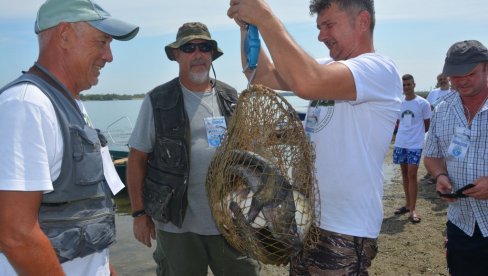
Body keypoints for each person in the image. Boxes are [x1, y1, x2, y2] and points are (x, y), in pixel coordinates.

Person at [228, 0, 402, 274]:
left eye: (329, 25)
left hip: (345, 228)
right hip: (305, 219)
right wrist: (248, 27)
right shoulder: (327, 66)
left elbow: (308, 82)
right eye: (319, 27)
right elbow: (260, 76)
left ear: (363, 21)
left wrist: (266, 16)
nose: (321, 35)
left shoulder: (378, 69)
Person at [0, 0, 138, 275]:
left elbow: (87, 214)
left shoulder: (71, 105)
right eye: (102, 42)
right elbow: (15, 235)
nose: (109, 56)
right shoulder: (26, 105)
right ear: (64, 35)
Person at [126, 22, 260, 276]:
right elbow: (137, 159)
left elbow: (246, 154)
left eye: (205, 47)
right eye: (189, 48)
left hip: (230, 221)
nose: (198, 54)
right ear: (177, 55)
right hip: (177, 226)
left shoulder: (231, 97)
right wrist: (139, 213)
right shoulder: (158, 100)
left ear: (212, 54)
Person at [424, 40, 488, 276]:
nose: (460, 81)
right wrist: (440, 175)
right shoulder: (442, 110)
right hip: (461, 224)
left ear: (487, 68)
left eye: (469, 74)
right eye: (454, 75)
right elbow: (432, 156)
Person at [392, 74, 431, 223]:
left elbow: (427, 124)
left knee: (412, 174)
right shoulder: (399, 103)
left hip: (415, 144)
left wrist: (417, 136)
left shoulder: (423, 103)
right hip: (401, 142)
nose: (406, 87)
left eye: (409, 84)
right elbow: (398, 122)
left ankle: (413, 209)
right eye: (404, 85)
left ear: (414, 85)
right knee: (404, 174)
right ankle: (407, 204)